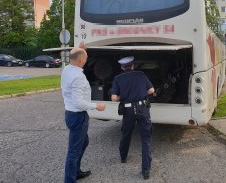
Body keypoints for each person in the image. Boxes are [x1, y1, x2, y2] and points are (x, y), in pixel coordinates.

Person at [61, 46, 105, 183]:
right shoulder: (78, 77)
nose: (87, 60)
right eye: (86, 58)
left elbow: (75, 55)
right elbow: (79, 102)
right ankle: (70, 180)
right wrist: (96, 106)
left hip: (71, 115)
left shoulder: (67, 69)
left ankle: (76, 172)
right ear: (80, 61)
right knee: (73, 151)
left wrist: (79, 49)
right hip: (78, 116)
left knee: (84, 142)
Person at [111, 56, 155, 180]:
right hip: (142, 109)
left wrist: (124, 96)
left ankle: (123, 157)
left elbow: (114, 98)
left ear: (122, 67)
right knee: (145, 139)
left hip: (128, 110)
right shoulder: (141, 75)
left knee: (126, 134)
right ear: (133, 66)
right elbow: (151, 90)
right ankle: (146, 171)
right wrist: (141, 94)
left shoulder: (117, 78)